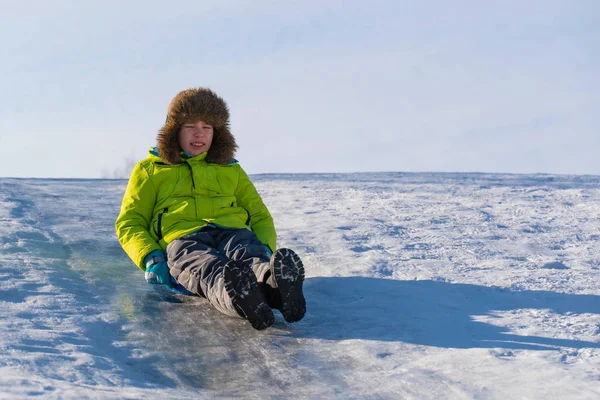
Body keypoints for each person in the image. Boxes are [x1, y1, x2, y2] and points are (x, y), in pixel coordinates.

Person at [115, 87, 306, 330]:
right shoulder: (151, 170)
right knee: (207, 268)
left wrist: (266, 247)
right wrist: (151, 257)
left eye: (207, 127)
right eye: (190, 126)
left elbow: (258, 214)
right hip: (183, 239)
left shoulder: (230, 169)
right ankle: (239, 298)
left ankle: (277, 288)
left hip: (233, 231)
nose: (199, 133)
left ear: (217, 132)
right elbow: (130, 222)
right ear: (174, 130)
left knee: (249, 255)